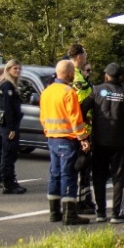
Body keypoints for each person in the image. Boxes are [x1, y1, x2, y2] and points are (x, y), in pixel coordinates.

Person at [81, 63, 124, 223]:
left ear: (106, 75)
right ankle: (117, 214)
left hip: (99, 139)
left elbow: (81, 108)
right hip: (119, 141)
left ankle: (101, 213)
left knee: (99, 176)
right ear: (120, 77)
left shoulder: (96, 90)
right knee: (118, 177)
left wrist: (89, 120)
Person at [41, 59, 91, 225]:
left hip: (52, 138)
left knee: (54, 174)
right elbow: (75, 119)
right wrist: (83, 138)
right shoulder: (69, 92)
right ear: (70, 73)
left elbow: (43, 117)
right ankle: (70, 214)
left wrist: (49, 131)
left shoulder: (47, 91)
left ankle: (54, 212)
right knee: (68, 175)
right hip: (67, 139)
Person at [68, 43, 96, 215]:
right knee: (82, 168)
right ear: (79, 57)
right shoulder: (77, 78)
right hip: (81, 129)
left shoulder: (75, 74)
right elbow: (79, 106)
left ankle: (84, 200)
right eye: (84, 55)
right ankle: (82, 202)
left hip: (79, 128)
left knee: (83, 168)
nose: (86, 57)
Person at [0, 60, 27, 195]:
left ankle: (11, 181)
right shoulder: (7, 85)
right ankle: (8, 184)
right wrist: (12, 128)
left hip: (10, 124)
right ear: (8, 69)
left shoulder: (10, 85)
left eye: (19, 69)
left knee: (11, 154)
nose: (18, 71)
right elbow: (8, 108)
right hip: (8, 125)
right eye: (15, 68)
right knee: (8, 154)